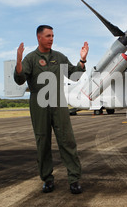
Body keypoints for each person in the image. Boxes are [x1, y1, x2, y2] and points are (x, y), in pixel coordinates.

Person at [14, 25, 89, 194]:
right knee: (43, 143)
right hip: (39, 106)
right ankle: (47, 179)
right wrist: (18, 62)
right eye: (48, 36)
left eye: (53, 36)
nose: (51, 39)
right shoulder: (31, 59)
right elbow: (20, 79)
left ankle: (74, 180)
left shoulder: (59, 57)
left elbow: (74, 75)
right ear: (39, 38)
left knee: (67, 141)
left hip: (59, 104)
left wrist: (82, 60)